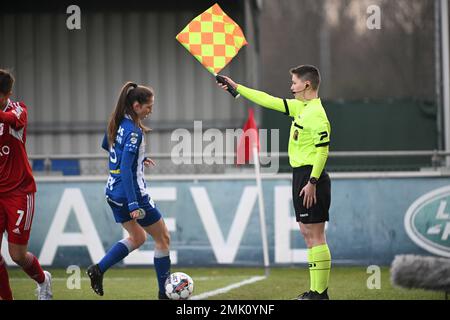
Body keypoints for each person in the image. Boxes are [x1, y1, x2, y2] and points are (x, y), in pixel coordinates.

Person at [217, 65, 331, 300]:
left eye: (294, 82)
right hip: (301, 175)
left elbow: (322, 152)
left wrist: (312, 181)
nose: (291, 87)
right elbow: (267, 100)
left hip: (312, 177)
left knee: (316, 235)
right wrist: (236, 87)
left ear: (306, 85)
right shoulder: (301, 107)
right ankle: (314, 291)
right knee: (307, 233)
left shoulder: (317, 114)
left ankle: (320, 294)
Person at [87, 82, 171, 300]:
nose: (150, 110)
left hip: (112, 193)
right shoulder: (134, 132)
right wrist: (134, 204)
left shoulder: (117, 122)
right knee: (163, 239)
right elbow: (125, 167)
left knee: (138, 237)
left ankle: (98, 269)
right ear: (136, 106)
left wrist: (138, 159)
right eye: (148, 106)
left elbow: (107, 145)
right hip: (131, 195)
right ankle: (165, 295)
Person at [0, 69, 52, 300]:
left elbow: (14, 121)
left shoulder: (18, 110)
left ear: (7, 94)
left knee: (17, 256)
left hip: (19, 192)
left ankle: (43, 280)